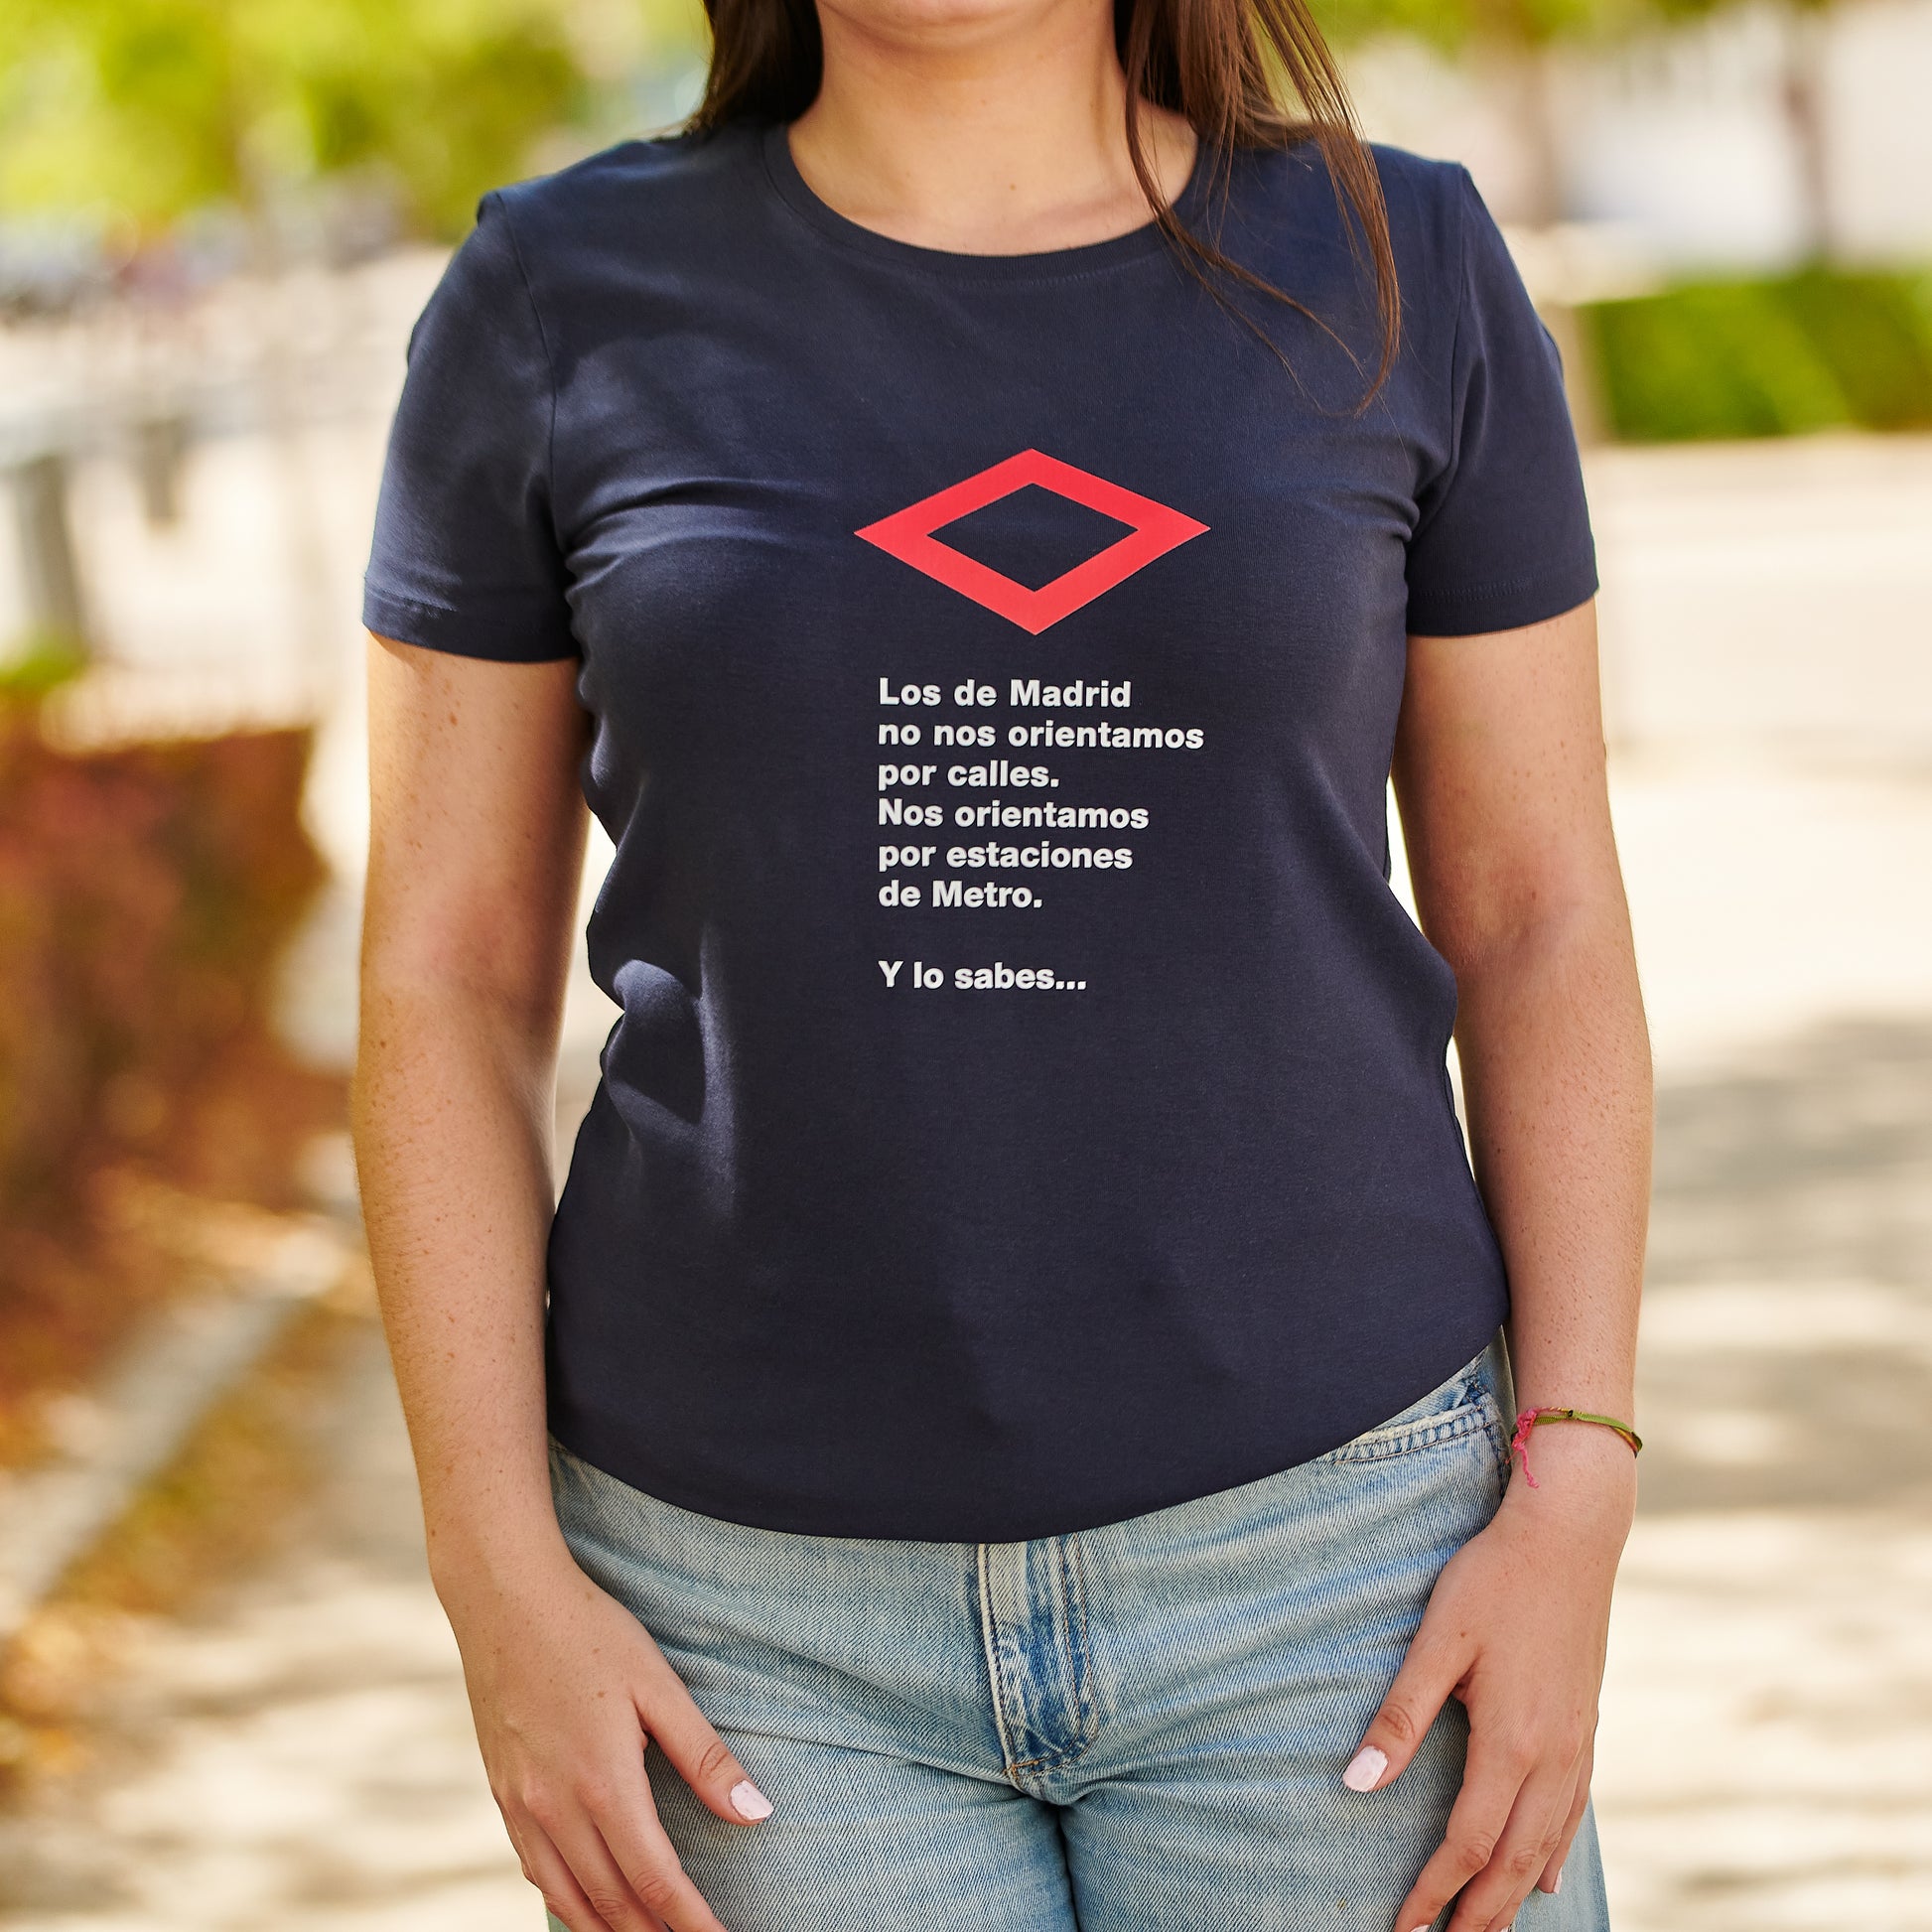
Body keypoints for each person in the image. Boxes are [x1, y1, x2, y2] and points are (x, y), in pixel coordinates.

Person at [351, 0, 1652, 1920]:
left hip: (1342, 1571)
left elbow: (1540, 917)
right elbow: (441, 978)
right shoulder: (554, 297)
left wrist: (1576, 1491)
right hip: (743, 1632)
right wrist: (493, 1569)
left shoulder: (1397, 261)